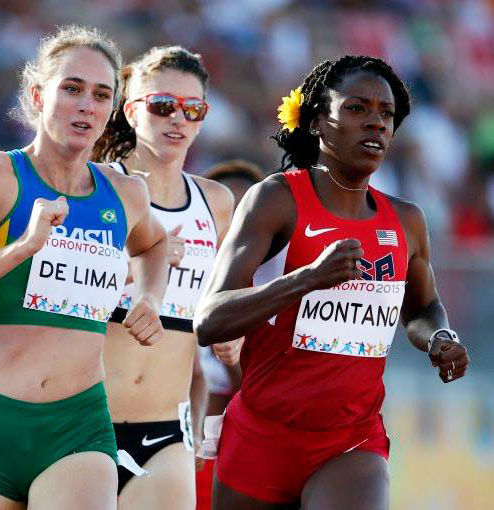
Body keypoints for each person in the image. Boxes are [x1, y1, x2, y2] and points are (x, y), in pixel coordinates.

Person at [0, 26, 168, 510]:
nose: (86, 105)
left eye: (101, 95)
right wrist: (21, 248)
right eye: (72, 88)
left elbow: (154, 245)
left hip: (78, 427)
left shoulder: (126, 193)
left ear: (112, 109)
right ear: (38, 96)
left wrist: (150, 296)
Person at [194, 55, 471, 510]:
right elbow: (210, 320)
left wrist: (440, 336)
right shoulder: (276, 199)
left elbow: (422, 309)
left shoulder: (406, 220)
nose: (376, 123)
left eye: (386, 114)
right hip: (261, 437)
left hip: (351, 440)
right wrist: (307, 279)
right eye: (357, 108)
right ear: (318, 121)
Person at [92, 46, 234, 510]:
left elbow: (213, 322)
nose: (178, 119)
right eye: (162, 105)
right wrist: (141, 262)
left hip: (165, 433)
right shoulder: (96, 185)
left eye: (193, 109)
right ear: (132, 111)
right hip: (83, 424)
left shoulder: (216, 203)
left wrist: (233, 337)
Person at [193, 159, 265, 510]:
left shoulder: (270, 286)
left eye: (243, 216)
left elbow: (260, 393)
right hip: (166, 436)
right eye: (222, 214)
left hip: (234, 449)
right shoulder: (165, 269)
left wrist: (232, 359)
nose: (232, 228)